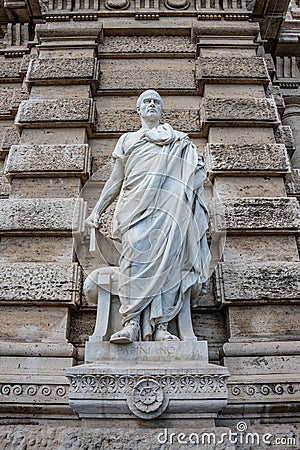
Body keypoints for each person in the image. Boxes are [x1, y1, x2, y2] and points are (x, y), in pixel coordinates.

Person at [86, 90, 210, 344]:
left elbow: (195, 173)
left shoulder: (178, 140)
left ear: (161, 110)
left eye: (156, 102)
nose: (151, 105)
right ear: (139, 109)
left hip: (168, 211)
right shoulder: (128, 140)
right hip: (134, 210)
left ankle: (162, 326)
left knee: (168, 264)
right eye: (147, 102)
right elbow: (116, 180)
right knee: (134, 258)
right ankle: (131, 323)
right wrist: (97, 210)